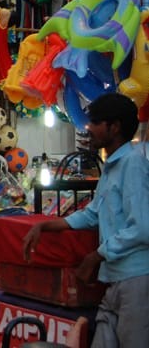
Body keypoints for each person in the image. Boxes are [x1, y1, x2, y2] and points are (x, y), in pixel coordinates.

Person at [22, 93, 149, 348]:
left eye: (95, 123)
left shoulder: (134, 163)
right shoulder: (112, 165)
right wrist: (46, 225)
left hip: (137, 279)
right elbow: (93, 214)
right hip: (114, 280)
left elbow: (143, 228)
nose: (88, 128)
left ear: (114, 127)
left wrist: (96, 255)